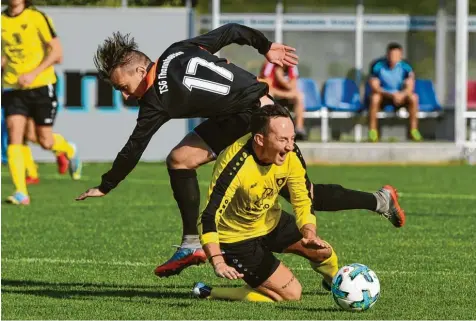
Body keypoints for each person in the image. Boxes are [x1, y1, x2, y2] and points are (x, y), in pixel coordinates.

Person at [75, 23, 405, 279]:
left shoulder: (155, 99)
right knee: (180, 159)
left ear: (139, 70)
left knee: (306, 195)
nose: (126, 95)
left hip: (263, 120)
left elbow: (135, 146)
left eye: (123, 86)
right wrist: (267, 47)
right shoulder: (179, 49)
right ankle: (191, 243)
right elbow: (233, 30)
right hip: (242, 113)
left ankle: (379, 200)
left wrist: (106, 185)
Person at [192, 105, 337, 302]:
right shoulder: (234, 165)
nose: (290, 146)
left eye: (292, 138)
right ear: (260, 139)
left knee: (322, 251)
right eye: (283, 139)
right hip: (237, 238)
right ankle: (209, 292)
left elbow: (302, 198)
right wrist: (217, 261)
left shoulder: (291, 153)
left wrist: (309, 233)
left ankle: (337, 285)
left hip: (270, 221)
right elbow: (208, 216)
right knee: (291, 294)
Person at [1, 0, 82, 205]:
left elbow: (57, 52)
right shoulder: (1, 20)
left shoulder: (37, 17)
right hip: (13, 87)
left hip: (41, 85)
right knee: (15, 135)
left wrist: (32, 73)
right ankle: (21, 192)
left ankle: (69, 150)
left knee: (44, 140)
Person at [368, 42, 421, 142]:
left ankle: (414, 130)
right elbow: (375, 86)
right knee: (374, 98)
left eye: (397, 55)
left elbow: (410, 86)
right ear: (387, 55)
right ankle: (373, 131)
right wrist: (391, 94)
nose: (394, 58)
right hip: (384, 96)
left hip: (401, 97)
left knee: (414, 97)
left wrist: (402, 94)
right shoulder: (377, 66)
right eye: (392, 55)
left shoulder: (406, 67)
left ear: (401, 55)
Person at [259, 61, 307, 140]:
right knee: (269, 94)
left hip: (285, 96)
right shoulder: (269, 65)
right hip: (274, 95)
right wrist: (285, 93)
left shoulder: (292, 66)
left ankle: (299, 129)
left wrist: (280, 79)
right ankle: (266, 129)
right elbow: (267, 86)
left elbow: (293, 86)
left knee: (299, 96)